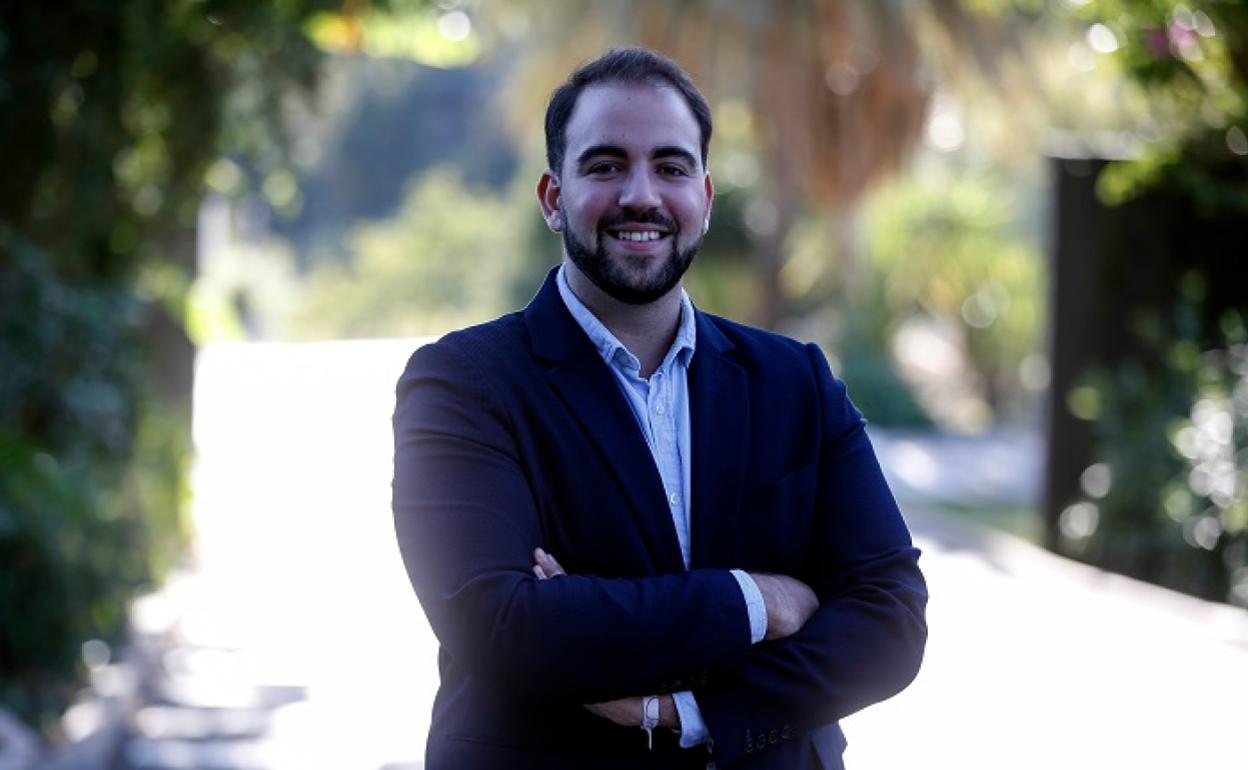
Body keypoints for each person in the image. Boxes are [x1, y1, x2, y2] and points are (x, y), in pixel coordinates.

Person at [392, 47, 927, 770]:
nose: (641, 195)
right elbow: (502, 626)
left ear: (704, 198)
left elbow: (890, 621)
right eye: (606, 165)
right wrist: (757, 601)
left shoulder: (794, 381)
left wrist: (680, 710)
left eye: (671, 168)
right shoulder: (464, 385)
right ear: (553, 197)